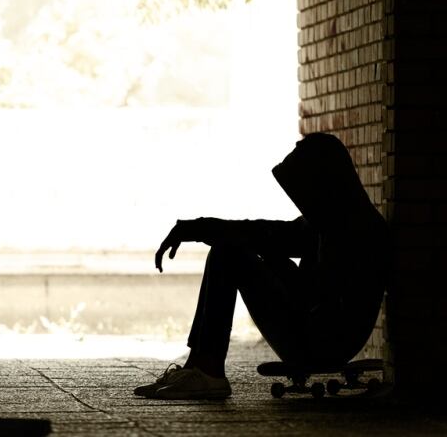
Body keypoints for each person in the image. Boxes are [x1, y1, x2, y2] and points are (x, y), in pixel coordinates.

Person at [135, 133, 390, 399]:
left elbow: (314, 296)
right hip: (311, 331)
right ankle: (197, 366)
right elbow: (263, 232)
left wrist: (273, 260)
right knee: (229, 247)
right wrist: (198, 227)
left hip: (325, 343)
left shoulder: (359, 230)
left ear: (324, 183)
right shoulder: (327, 221)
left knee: (230, 253)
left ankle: (208, 372)